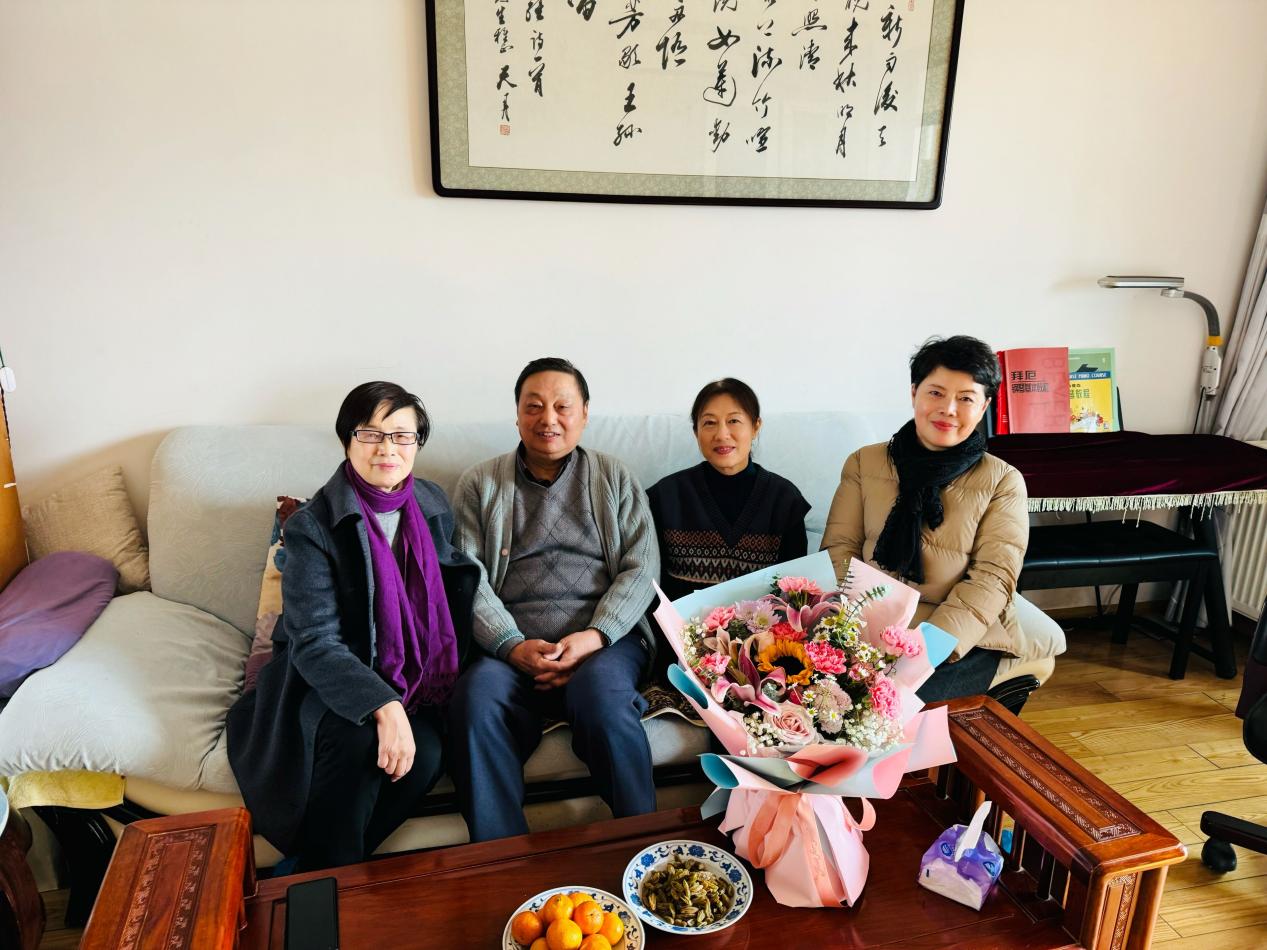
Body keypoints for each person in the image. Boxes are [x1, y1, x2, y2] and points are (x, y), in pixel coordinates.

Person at [226, 382, 477, 871]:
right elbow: (315, 642)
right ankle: (330, 880)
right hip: (322, 679)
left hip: (411, 677)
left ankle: (313, 870)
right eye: (370, 434)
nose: (387, 449)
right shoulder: (312, 526)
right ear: (347, 440)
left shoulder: (431, 503)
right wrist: (384, 705)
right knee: (362, 745)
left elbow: (449, 594)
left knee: (426, 755)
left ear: (417, 443)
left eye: (401, 435)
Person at [447, 357, 659, 842]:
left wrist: (595, 636)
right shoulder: (480, 484)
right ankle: (504, 860)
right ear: (517, 415)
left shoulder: (615, 477)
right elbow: (468, 578)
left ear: (584, 413)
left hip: (604, 643)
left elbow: (642, 569)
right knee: (474, 701)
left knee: (602, 699)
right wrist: (510, 645)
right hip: (511, 648)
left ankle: (644, 849)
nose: (549, 419)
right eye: (534, 406)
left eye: (563, 406)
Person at [821, 336, 1037, 703]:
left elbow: (992, 579)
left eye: (965, 398)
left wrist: (925, 646)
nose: (948, 409)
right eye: (936, 393)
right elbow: (839, 549)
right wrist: (858, 628)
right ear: (914, 393)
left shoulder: (1003, 481)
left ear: (984, 405)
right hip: (866, 624)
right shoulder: (864, 463)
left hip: (959, 640)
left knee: (880, 705)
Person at [647, 378, 810, 602]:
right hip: (677, 624)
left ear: (755, 427)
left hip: (764, 625)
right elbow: (647, 586)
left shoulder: (784, 500)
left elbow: (794, 595)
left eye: (734, 420)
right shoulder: (664, 498)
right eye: (709, 423)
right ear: (696, 431)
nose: (722, 434)